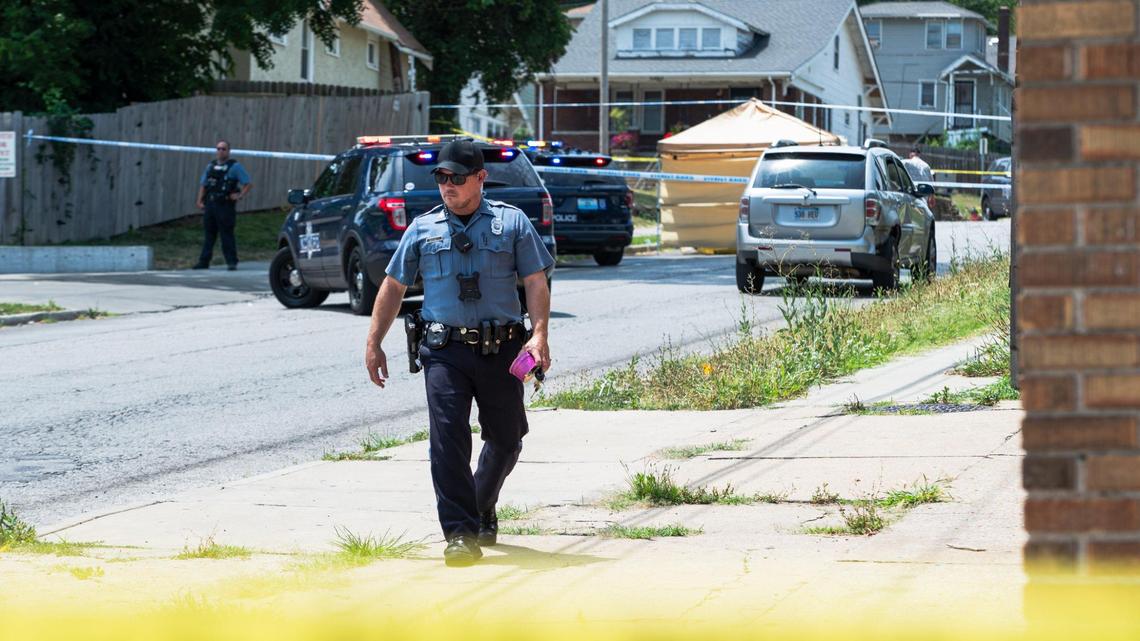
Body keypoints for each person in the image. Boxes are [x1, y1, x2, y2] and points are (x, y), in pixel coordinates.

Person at [363, 139, 554, 567]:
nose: (447, 185)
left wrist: (538, 335)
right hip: (444, 350)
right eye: (441, 178)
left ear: (480, 179)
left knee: (507, 438)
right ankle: (460, 534)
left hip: (503, 347)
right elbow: (393, 285)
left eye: (457, 178)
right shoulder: (422, 228)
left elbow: (536, 282)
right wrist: (374, 341)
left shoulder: (513, 223)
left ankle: (481, 502)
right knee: (448, 439)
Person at [194, 140, 252, 270]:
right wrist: (199, 201)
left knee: (226, 234)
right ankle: (204, 261)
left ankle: (231, 262)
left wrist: (240, 195)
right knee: (209, 234)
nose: (220, 151)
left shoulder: (235, 167)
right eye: (218, 149)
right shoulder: (210, 166)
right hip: (210, 204)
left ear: (228, 151)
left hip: (225, 205)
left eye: (223, 149)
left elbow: (248, 183)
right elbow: (204, 185)